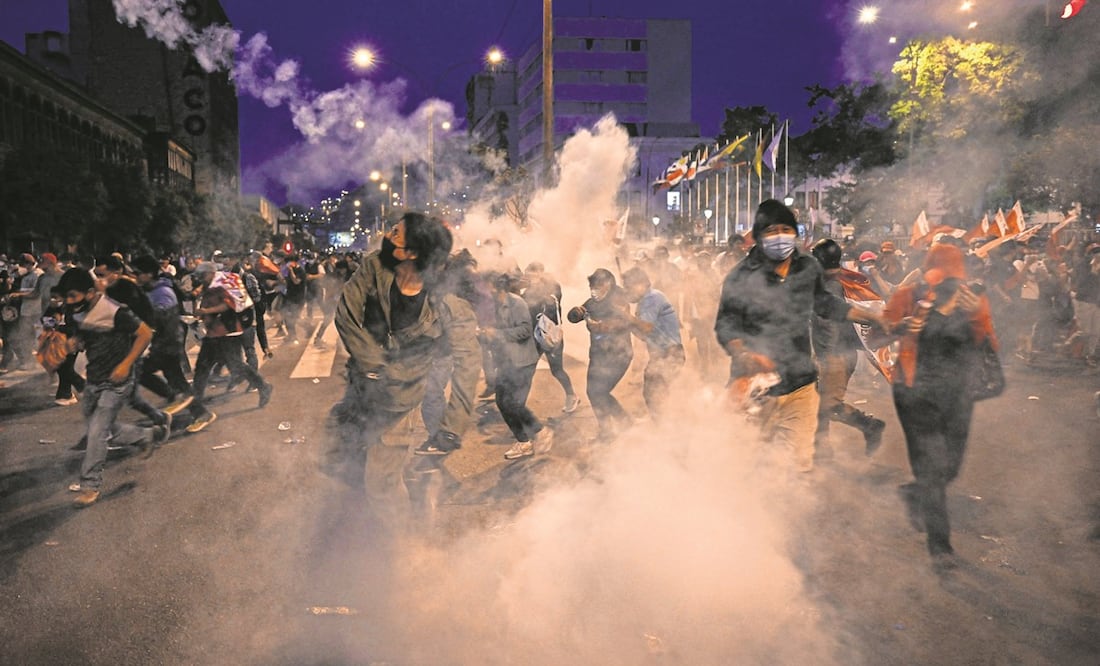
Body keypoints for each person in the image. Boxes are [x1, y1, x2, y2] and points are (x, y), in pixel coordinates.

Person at [328, 213, 479, 529]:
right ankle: (374, 513)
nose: (386, 234)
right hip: (360, 384)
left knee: (380, 484)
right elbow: (345, 313)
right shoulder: (375, 266)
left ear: (412, 252)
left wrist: (453, 425)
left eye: (395, 233)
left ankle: (402, 542)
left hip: (400, 396)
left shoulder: (450, 301)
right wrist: (371, 364)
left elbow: (467, 363)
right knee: (340, 460)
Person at [715, 200, 885, 473]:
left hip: (824, 359)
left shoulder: (818, 280)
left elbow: (829, 316)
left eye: (786, 229)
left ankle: (856, 431)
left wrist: (822, 358)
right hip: (779, 367)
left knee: (821, 408)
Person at [884, 243, 997, 571]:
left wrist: (978, 313)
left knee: (951, 467)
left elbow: (990, 345)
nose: (947, 282)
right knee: (932, 468)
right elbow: (881, 329)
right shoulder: (908, 297)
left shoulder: (972, 302)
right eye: (941, 273)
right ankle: (940, 545)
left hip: (959, 394)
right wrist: (904, 325)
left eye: (952, 275)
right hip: (913, 392)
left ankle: (914, 493)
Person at [57, 268, 169, 507]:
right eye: (66, 297)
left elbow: (145, 334)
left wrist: (126, 365)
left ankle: (90, 485)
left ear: (89, 293)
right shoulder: (75, 310)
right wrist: (76, 342)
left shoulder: (115, 311)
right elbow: (84, 334)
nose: (68, 302)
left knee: (97, 432)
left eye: (73, 296)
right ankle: (148, 435)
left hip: (118, 381)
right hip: (94, 378)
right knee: (103, 427)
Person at [809, 239, 886, 459]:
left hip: (836, 355)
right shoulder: (835, 280)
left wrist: (826, 359)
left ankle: (869, 425)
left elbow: (829, 325)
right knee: (816, 402)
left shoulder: (831, 286)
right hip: (830, 354)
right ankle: (821, 450)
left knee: (827, 405)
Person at [187, 262, 273, 433]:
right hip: (213, 334)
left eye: (202, 275)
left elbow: (228, 305)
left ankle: (263, 386)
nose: (200, 279)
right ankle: (196, 405)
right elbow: (201, 293)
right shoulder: (210, 284)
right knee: (202, 369)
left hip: (227, 333)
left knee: (237, 366)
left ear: (210, 273)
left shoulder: (222, 284)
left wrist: (205, 311)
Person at [481, 272, 554, 460]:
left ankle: (541, 431)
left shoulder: (517, 304)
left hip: (522, 361)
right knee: (501, 401)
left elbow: (524, 331)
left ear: (499, 289)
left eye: (488, 287)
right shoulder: (493, 306)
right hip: (505, 362)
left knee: (514, 403)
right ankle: (523, 442)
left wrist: (496, 334)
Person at [566, 268, 634, 441]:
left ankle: (613, 427)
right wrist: (576, 312)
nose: (594, 289)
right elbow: (575, 316)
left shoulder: (619, 300)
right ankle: (615, 424)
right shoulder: (593, 302)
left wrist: (601, 326)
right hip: (598, 355)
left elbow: (624, 322)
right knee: (593, 391)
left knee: (599, 391)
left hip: (618, 355)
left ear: (608, 283)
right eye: (591, 286)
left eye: (598, 285)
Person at [621, 266, 684, 420]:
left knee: (656, 396)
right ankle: (665, 426)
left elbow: (646, 327)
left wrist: (627, 317)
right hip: (662, 355)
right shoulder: (645, 301)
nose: (626, 292)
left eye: (628, 287)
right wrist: (628, 322)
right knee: (656, 395)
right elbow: (643, 335)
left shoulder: (652, 298)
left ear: (641, 284)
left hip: (669, 354)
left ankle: (667, 428)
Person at [521, 262, 579, 413]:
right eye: (528, 275)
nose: (530, 277)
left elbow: (552, 302)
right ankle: (519, 404)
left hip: (549, 334)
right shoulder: (528, 290)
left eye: (532, 274)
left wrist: (536, 288)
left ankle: (571, 395)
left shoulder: (552, 287)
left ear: (541, 273)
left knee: (557, 369)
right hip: (535, 335)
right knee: (528, 369)